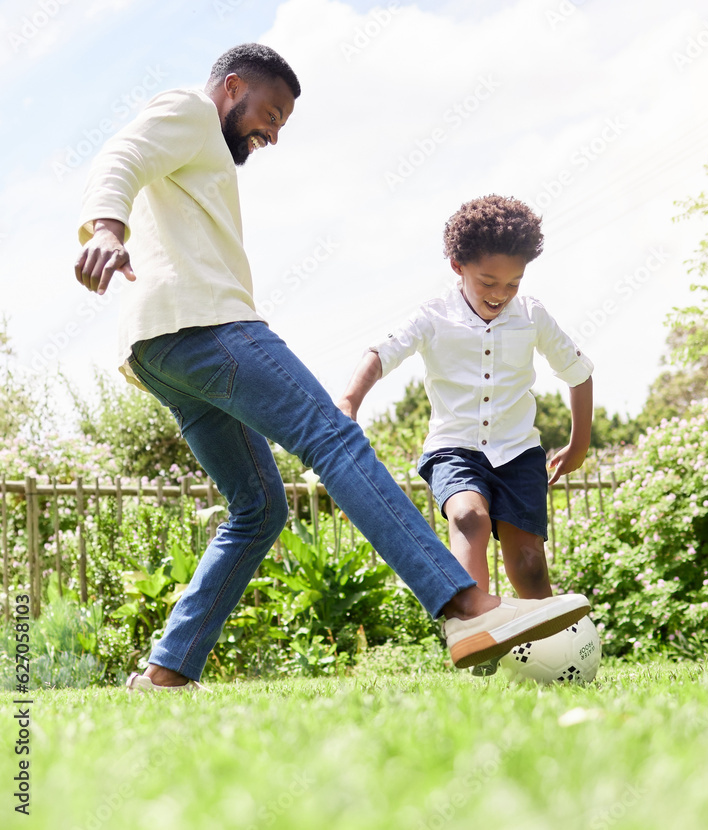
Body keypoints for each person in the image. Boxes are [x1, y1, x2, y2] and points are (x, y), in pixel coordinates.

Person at [73, 44, 589, 693]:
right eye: (271, 111)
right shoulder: (188, 110)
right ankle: (462, 607)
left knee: (259, 508)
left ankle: (167, 671)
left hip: (159, 349)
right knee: (333, 438)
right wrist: (105, 230)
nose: (275, 132)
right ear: (232, 87)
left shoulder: (202, 152)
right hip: (206, 325)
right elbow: (120, 156)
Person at [338, 195, 594, 672]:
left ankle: (558, 657)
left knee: (529, 563)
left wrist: (578, 446)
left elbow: (578, 373)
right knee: (469, 518)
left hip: (518, 453)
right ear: (458, 266)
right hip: (453, 448)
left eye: (513, 283)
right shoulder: (433, 315)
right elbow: (381, 352)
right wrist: (350, 401)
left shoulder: (532, 315)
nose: (500, 293)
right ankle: (476, 629)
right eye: (488, 282)